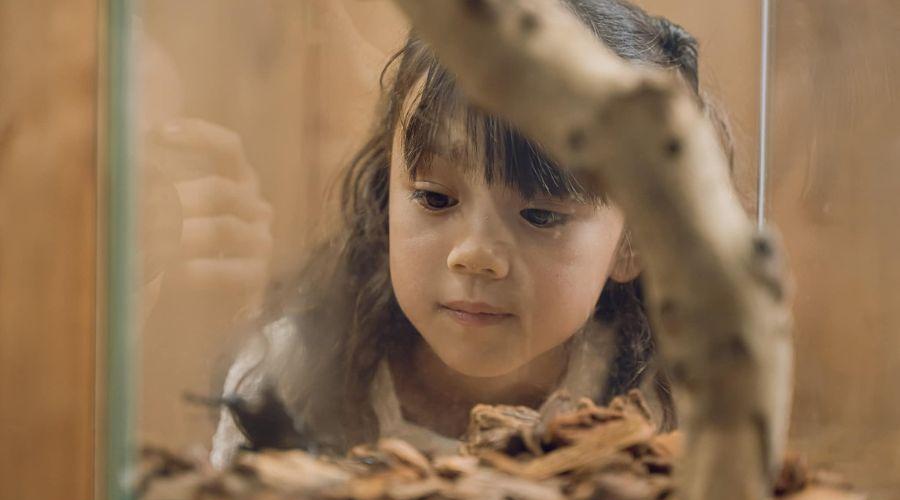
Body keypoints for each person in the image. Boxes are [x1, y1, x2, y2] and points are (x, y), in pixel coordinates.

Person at [210, 0, 732, 468]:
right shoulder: (289, 371)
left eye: (541, 215)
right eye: (436, 198)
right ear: (384, 196)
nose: (476, 255)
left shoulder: (667, 406)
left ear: (635, 241)